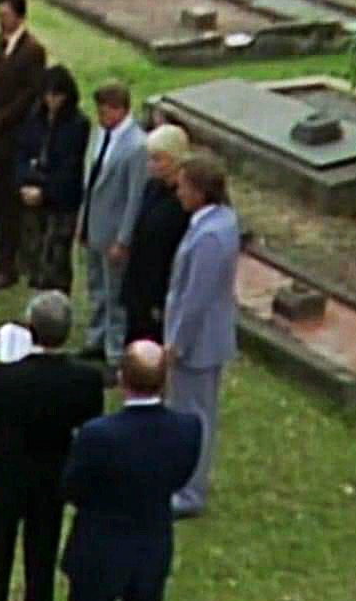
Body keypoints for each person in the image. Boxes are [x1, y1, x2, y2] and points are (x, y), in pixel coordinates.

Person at [31, 341, 202, 601]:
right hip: (150, 544)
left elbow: (72, 486)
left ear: (123, 381)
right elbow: (180, 478)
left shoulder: (98, 436)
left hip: (100, 549)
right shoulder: (188, 428)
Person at [0, 291, 104, 601]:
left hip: (4, 478)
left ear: (31, 328)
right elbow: (88, 426)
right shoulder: (85, 382)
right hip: (50, 480)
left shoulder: (2, 378)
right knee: (41, 559)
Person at [164, 153, 240, 520]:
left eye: (182, 187)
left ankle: (190, 491)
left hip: (198, 342)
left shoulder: (211, 236)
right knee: (191, 412)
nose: (177, 193)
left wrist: (176, 343)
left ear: (198, 191)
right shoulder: (218, 222)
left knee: (194, 416)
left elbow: (196, 297)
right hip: (203, 336)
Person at [76, 82, 148, 378]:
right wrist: (83, 221)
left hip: (115, 231)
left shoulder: (136, 146)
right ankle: (96, 338)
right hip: (95, 224)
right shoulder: (100, 135)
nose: (100, 116)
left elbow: (134, 197)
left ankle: (115, 352)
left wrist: (123, 239)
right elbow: (91, 181)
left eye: (105, 110)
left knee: (115, 293)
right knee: (96, 286)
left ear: (120, 109)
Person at [0, 0, 47, 290]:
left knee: (10, 201)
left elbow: (29, 95)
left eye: (5, 15)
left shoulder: (32, 51)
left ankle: (12, 263)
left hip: (14, 135)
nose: (0, 21)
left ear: (19, 15)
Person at [15, 65, 90, 294]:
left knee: (56, 257)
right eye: (47, 94)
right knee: (34, 252)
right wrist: (25, 181)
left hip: (60, 201)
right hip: (33, 192)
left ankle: (57, 305)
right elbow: (22, 151)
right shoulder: (35, 117)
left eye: (56, 95)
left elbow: (69, 167)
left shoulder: (77, 124)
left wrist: (45, 190)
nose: (51, 100)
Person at [121, 123, 192, 344]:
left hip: (159, 287)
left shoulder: (182, 202)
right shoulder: (152, 187)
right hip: (139, 280)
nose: (151, 165)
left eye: (158, 159)